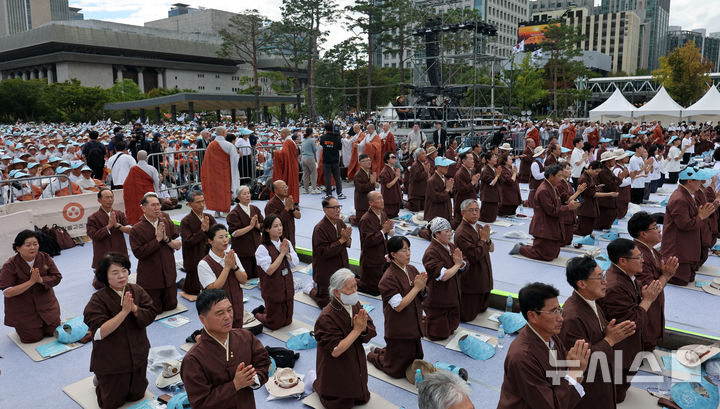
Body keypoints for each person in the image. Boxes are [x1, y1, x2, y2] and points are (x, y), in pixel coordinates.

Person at [497, 282, 590, 409]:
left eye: (559, 310)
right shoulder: (522, 357)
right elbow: (548, 405)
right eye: (553, 312)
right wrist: (575, 371)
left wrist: (571, 363)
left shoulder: (551, 336)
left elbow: (560, 376)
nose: (560, 318)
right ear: (533, 316)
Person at [561, 256, 637, 409]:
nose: (605, 281)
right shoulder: (572, 317)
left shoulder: (591, 301)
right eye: (599, 277)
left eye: (604, 275)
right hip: (588, 388)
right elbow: (581, 362)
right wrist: (609, 340)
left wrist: (609, 332)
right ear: (581, 283)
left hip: (603, 378)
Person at [83, 253, 156, 409]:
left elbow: (150, 314)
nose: (121, 276)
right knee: (111, 404)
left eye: (124, 270)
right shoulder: (97, 300)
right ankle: (100, 380)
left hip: (137, 355)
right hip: (112, 361)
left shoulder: (136, 290)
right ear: (105, 276)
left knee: (137, 395)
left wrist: (135, 309)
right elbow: (99, 333)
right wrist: (123, 312)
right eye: (115, 272)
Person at [181, 289, 270, 409]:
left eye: (229, 310)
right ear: (203, 319)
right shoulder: (193, 359)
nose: (228, 317)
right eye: (219, 313)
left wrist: (253, 378)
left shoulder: (245, 337)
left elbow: (263, 362)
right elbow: (200, 404)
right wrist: (235, 385)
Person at [598, 238, 663, 403]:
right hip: (620, 349)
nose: (642, 260)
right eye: (638, 257)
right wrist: (647, 300)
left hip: (629, 347)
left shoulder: (627, 276)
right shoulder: (615, 287)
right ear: (623, 261)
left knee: (622, 386)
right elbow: (632, 323)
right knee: (615, 395)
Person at [314, 269, 378, 408]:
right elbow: (335, 351)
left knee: (361, 394)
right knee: (341, 402)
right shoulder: (326, 317)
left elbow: (369, 327)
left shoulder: (354, 303)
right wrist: (357, 330)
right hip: (337, 364)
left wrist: (364, 328)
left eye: (355, 285)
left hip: (355, 356)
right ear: (337, 292)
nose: (355, 291)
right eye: (350, 288)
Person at [367, 236, 427, 378]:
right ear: (393, 255)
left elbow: (422, 293)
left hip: (414, 325)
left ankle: (379, 350)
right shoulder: (388, 278)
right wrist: (417, 288)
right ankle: (370, 355)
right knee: (396, 370)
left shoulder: (411, 269)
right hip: (399, 328)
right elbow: (399, 306)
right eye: (404, 250)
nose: (408, 253)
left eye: (409, 249)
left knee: (416, 358)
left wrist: (423, 287)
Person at [627, 212, 678, 351]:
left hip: (655, 304)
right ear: (643, 234)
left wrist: (665, 275)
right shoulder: (639, 256)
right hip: (645, 307)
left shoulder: (652, 252)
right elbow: (651, 289)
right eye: (655, 227)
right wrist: (666, 275)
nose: (659, 230)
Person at [0, 230, 62, 343]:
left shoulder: (45, 257)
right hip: (23, 311)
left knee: (53, 332)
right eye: (28, 245)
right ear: (18, 248)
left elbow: (57, 277)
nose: (32, 247)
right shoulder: (9, 265)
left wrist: (41, 280)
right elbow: (7, 292)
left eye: (35, 244)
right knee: (33, 338)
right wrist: (31, 282)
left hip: (47, 306)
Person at [661, 166, 717, 285]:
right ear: (689, 181)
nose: (701, 183)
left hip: (687, 243)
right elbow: (685, 224)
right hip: (678, 246)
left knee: (689, 277)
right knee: (681, 279)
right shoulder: (680, 199)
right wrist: (701, 216)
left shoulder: (687, 195)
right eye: (698, 180)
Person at [515, 165, 581, 261]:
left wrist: (577, 195)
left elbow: (562, 199)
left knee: (554, 254)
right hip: (544, 226)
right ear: (551, 176)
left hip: (553, 225)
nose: (561, 178)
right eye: (559, 176)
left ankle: (529, 247)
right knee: (546, 256)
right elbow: (552, 211)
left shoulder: (553, 187)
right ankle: (520, 249)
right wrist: (568, 207)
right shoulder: (544, 190)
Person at [129, 192, 181, 313]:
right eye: (153, 205)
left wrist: (166, 239)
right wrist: (157, 240)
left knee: (171, 306)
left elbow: (177, 242)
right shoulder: (137, 229)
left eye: (158, 205)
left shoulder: (166, 220)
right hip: (151, 277)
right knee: (154, 310)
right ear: (143, 208)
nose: (157, 208)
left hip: (168, 272)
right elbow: (139, 253)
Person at [422, 217, 465, 340]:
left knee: (452, 327)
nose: (450, 234)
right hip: (438, 298)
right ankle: (417, 323)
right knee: (438, 335)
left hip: (452, 294)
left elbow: (463, 261)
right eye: (446, 231)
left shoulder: (450, 246)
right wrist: (457, 265)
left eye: (450, 231)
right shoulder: (431, 252)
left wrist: (462, 264)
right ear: (437, 233)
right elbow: (444, 276)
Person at [197, 224, 247, 328]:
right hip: (218, 312)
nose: (225, 240)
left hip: (236, 305)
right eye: (220, 237)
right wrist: (227, 267)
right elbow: (213, 288)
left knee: (237, 335)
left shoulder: (232, 256)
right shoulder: (204, 264)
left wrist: (234, 267)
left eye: (226, 236)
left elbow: (244, 280)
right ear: (210, 241)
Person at [254, 214, 299, 330]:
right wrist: (282, 254)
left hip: (287, 285)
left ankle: (266, 311)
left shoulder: (286, 242)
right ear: (268, 229)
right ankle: (258, 314)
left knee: (288, 321)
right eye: (275, 226)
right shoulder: (262, 248)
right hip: (273, 288)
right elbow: (269, 270)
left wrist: (288, 254)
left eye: (280, 225)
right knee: (274, 324)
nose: (279, 228)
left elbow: (295, 263)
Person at [454, 199, 494, 321]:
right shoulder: (461, 233)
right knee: (467, 317)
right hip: (472, 280)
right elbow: (474, 256)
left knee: (483, 309)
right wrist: (483, 240)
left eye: (477, 210)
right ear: (463, 213)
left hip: (484, 275)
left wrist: (487, 240)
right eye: (471, 211)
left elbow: (491, 248)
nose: (475, 213)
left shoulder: (478, 227)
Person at [310, 197, 351, 308]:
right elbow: (323, 252)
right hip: (326, 270)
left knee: (345, 299)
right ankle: (311, 290)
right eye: (334, 207)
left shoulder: (340, 223)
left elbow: (347, 243)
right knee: (325, 303)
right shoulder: (320, 228)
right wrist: (342, 240)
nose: (337, 210)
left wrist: (347, 239)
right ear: (325, 210)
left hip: (341, 265)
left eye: (338, 207)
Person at [86, 188, 131, 289]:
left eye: (111, 197)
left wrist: (118, 226)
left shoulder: (119, 214)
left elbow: (130, 230)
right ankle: (98, 273)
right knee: (100, 285)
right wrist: (109, 226)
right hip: (104, 253)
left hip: (119, 251)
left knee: (122, 279)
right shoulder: (93, 218)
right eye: (106, 197)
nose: (110, 200)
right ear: (99, 200)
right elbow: (94, 236)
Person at [180, 190, 216, 297]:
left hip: (209, 255)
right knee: (194, 290)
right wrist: (202, 231)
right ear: (190, 204)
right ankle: (181, 283)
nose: (201, 205)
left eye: (203, 201)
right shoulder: (186, 221)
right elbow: (188, 242)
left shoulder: (209, 217)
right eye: (198, 202)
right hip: (194, 257)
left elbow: (217, 233)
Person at [358, 191, 394, 295]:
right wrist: (384, 230)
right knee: (374, 289)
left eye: (382, 198)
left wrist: (390, 229)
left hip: (383, 253)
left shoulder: (382, 214)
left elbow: (387, 230)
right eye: (378, 198)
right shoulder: (366, 219)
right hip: (371, 257)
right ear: (371, 203)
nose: (382, 200)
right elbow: (368, 241)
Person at [226, 185, 264, 279]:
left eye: (248, 193)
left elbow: (264, 225)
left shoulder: (255, 209)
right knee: (246, 277)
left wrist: (258, 226)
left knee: (258, 275)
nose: (248, 196)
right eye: (244, 194)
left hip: (257, 248)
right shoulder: (234, 213)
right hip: (243, 251)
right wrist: (250, 226)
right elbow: (234, 233)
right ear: (238, 197)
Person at [200, 127, 240, 214]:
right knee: (225, 191)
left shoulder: (210, 145)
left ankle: (217, 212)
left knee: (216, 191)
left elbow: (206, 161)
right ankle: (225, 211)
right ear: (224, 133)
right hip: (225, 172)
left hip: (214, 173)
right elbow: (235, 159)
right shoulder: (229, 145)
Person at [264, 180, 301, 246]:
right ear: (275, 190)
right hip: (278, 238)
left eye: (286, 187)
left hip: (291, 235)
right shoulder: (271, 205)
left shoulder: (288, 200)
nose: (285, 189)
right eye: (282, 187)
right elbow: (275, 222)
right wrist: (286, 208)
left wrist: (292, 209)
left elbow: (298, 216)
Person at [575, 161, 605, 236]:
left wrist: (596, 188)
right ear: (590, 168)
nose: (597, 174)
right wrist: (609, 194)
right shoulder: (583, 178)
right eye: (596, 171)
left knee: (589, 228)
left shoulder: (591, 177)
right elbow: (590, 193)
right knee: (583, 230)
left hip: (591, 205)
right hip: (585, 206)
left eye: (598, 172)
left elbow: (592, 189)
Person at [452, 151, 481, 228]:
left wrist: (476, 182)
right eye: (470, 159)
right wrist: (473, 182)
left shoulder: (472, 170)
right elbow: (462, 190)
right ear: (464, 161)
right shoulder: (460, 173)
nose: (473, 161)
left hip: (471, 200)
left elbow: (475, 187)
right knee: (460, 224)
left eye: (473, 159)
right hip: (462, 202)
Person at [272, 127, 300, 205]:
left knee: (290, 182)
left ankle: (291, 200)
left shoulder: (288, 142)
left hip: (291, 165)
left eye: (281, 133)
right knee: (293, 182)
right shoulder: (290, 141)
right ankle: (294, 200)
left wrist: (276, 153)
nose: (280, 135)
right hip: (293, 164)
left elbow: (284, 154)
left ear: (284, 133)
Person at [425, 157, 455, 224]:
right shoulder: (432, 181)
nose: (447, 167)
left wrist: (451, 188)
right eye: (445, 166)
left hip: (445, 210)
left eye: (448, 166)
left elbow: (450, 194)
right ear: (438, 166)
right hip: (436, 212)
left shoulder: (444, 178)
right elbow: (435, 198)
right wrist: (447, 189)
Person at [594, 152, 620, 230]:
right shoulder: (603, 172)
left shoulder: (608, 170)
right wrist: (620, 178)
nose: (615, 161)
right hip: (605, 200)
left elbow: (615, 182)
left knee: (609, 216)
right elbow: (610, 186)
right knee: (604, 217)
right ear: (607, 161)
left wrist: (619, 179)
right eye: (613, 160)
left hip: (609, 199)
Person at [320, 123, 345, 199]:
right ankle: (339, 193)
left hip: (326, 160)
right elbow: (340, 147)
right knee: (337, 177)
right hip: (335, 160)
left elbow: (321, 144)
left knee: (327, 178)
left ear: (326, 129)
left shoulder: (323, 137)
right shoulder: (337, 137)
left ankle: (329, 194)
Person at [353, 154, 377, 225]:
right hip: (362, 202)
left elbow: (372, 184)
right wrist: (371, 183)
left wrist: (375, 183)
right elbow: (361, 188)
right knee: (361, 222)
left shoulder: (370, 172)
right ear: (360, 163)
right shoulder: (358, 175)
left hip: (370, 201)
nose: (369, 162)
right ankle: (350, 218)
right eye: (366, 161)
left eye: (369, 160)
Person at [379, 151, 402, 218]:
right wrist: (397, 177)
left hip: (396, 195)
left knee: (395, 214)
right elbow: (388, 185)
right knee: (388, 215)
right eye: (392, 157)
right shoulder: (384, 171)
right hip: (389, 197)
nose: (394, 159)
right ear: (387, 160)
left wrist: (399, 177)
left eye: (395, 157)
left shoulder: (395, 169)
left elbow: (399, 182)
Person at [479, 152, 501, 222]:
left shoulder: (494, 169)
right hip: (488, 195)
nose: (496, 159)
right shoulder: (485, 170)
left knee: (493, 216)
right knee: (486, 217)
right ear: (488, 160)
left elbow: (500, 181)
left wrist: (499, 175)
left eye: (496, 157)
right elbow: (491, 183)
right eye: (493, 157)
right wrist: (497, 175)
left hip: (494, 194)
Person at [498, 152, 521, 216]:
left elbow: (517, 179)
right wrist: (514, 173)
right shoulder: (503, 170)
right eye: (510, 159)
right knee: (506, 213)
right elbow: (510, 181)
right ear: (505, 161)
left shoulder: (510, 169)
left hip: (513, 196)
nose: (512, 161)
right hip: (507, 198)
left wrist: (516, 173)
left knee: (512, 213)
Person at [301, 126, 320, 194]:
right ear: (312, 133)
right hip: (310, 158)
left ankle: (306, 189)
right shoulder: (312, 140)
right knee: (314, 173)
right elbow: (315, 150)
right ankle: (314, 188)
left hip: (303, 158)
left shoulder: (303, 140)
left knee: (305, 174)